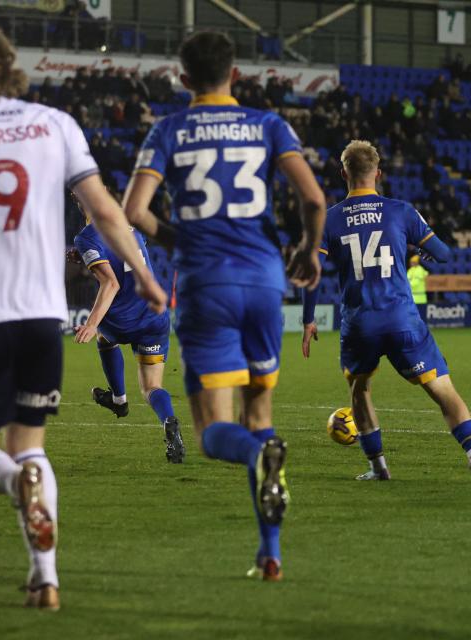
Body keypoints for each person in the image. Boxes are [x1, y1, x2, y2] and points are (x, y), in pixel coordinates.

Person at [0, 20, 167, 610]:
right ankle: (46, 579)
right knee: (31, 443)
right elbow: (108, 213)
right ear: (10, 64)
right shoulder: (55, 125)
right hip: (42, 317)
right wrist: (144, 277)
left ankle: (17, 486)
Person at [121, 31, 326, 582]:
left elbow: (133, 210)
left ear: (183, 79)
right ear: (236, 75)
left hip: (205, 283)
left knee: (217, 433)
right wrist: (307, 250)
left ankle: (259, 466)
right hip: (263, 282)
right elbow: (312, 198)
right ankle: (271, 553)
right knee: (260, 418)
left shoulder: (168, 129)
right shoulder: (268, 124)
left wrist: (176, 241)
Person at [301, 140, 471, 485]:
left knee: (360, 391)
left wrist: (308, 319)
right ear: (379, 174)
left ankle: (378, 468)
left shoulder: (329, 219)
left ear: (343, 174)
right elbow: (443, 253)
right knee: (443, 391)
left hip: (359, 325)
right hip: (402, 319)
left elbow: (311, 270)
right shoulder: (400, 210)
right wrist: (421, 247)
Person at [71, 213, 183, 463]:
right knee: (152, 387)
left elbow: (111, 283)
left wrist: (91, 323)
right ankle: (168, 420)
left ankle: (119, 400)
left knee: (103, 336)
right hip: (154, 318)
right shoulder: (131, 227)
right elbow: (121, 260)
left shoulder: (86, 237)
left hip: (123, 321)